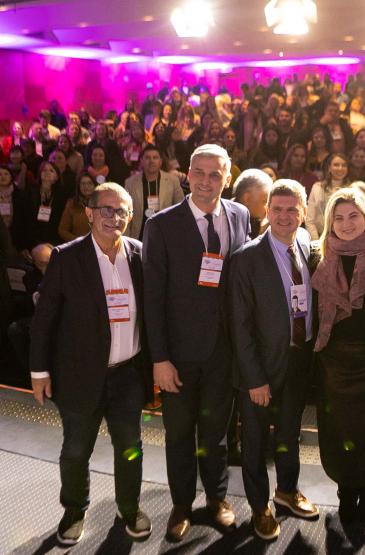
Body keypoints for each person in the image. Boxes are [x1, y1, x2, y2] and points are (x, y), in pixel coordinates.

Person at [30, 182, 152, 544]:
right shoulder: (67, 258)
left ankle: (128, 507)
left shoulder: (139, 255)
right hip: (78, 375)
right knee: (76, 449)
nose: (114, 217)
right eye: (106, 210)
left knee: (130, 447)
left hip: (128, 375)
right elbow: (44, 321)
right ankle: (74, 509)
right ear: (89, 213)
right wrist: (39, 371)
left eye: (122, 211)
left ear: (131, 217)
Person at [143, 144, 251, 542]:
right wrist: (160, 358)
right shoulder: (162, 225)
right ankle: (182, 504)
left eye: (216, 174)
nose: (207, 182)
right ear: (187, 174)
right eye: (200, 173)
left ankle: (217, 499)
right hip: (179, 356)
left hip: (224, 352)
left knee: (217, 433)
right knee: (178, 434)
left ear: (227, 178)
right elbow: (152, 299)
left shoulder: (240, 216)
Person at [228, 180, 319, 540]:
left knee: (288, 433)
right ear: (266, 211)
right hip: (260, 368)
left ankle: (286, 490)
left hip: (299, 360)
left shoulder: (309, 247)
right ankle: (259, 506)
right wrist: (254, 378)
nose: (284, 216)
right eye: (277, 209)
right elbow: (240, 326)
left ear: (304, 212)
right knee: (253, 440)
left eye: (292, 209)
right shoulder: (246, 258)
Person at [310, 187, 365, 522]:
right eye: (339, 217)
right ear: (330, 221)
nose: (346, 223)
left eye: (353, 216)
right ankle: (345, 491)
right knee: (338, 430)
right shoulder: (320, 253)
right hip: (333, 360)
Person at [124, 145, 185, 239]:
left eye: (155, 157)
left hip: (165, 235)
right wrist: (126, 239)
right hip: (139, 236)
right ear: (142, 161)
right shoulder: (130, 183)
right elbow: (126, 213)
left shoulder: (172, 181)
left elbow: (181, 208)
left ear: (160, 161)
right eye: (147, 158)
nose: (151, 161)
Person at [305, 153, 350, 239]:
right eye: (336, 165)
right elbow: (310, 220)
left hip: (345, 239)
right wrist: (316, 243)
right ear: (329, 168)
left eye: (344, 165)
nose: (340, 168)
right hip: (320, 237)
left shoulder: (352, 189)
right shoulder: (317, 187)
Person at [231, 168, 273, 239]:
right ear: (246, 198)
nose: (268, 208)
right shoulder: (224, 223)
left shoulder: (255, 225)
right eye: (265, 201)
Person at [57, 173, 95, 242]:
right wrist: (78, 241)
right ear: (79, 186)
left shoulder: (102, 204)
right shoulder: (71, 204)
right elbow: (62, 230)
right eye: (83, 184)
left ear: (95, 186)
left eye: (89, 183)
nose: (86, 186)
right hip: (78, 246)